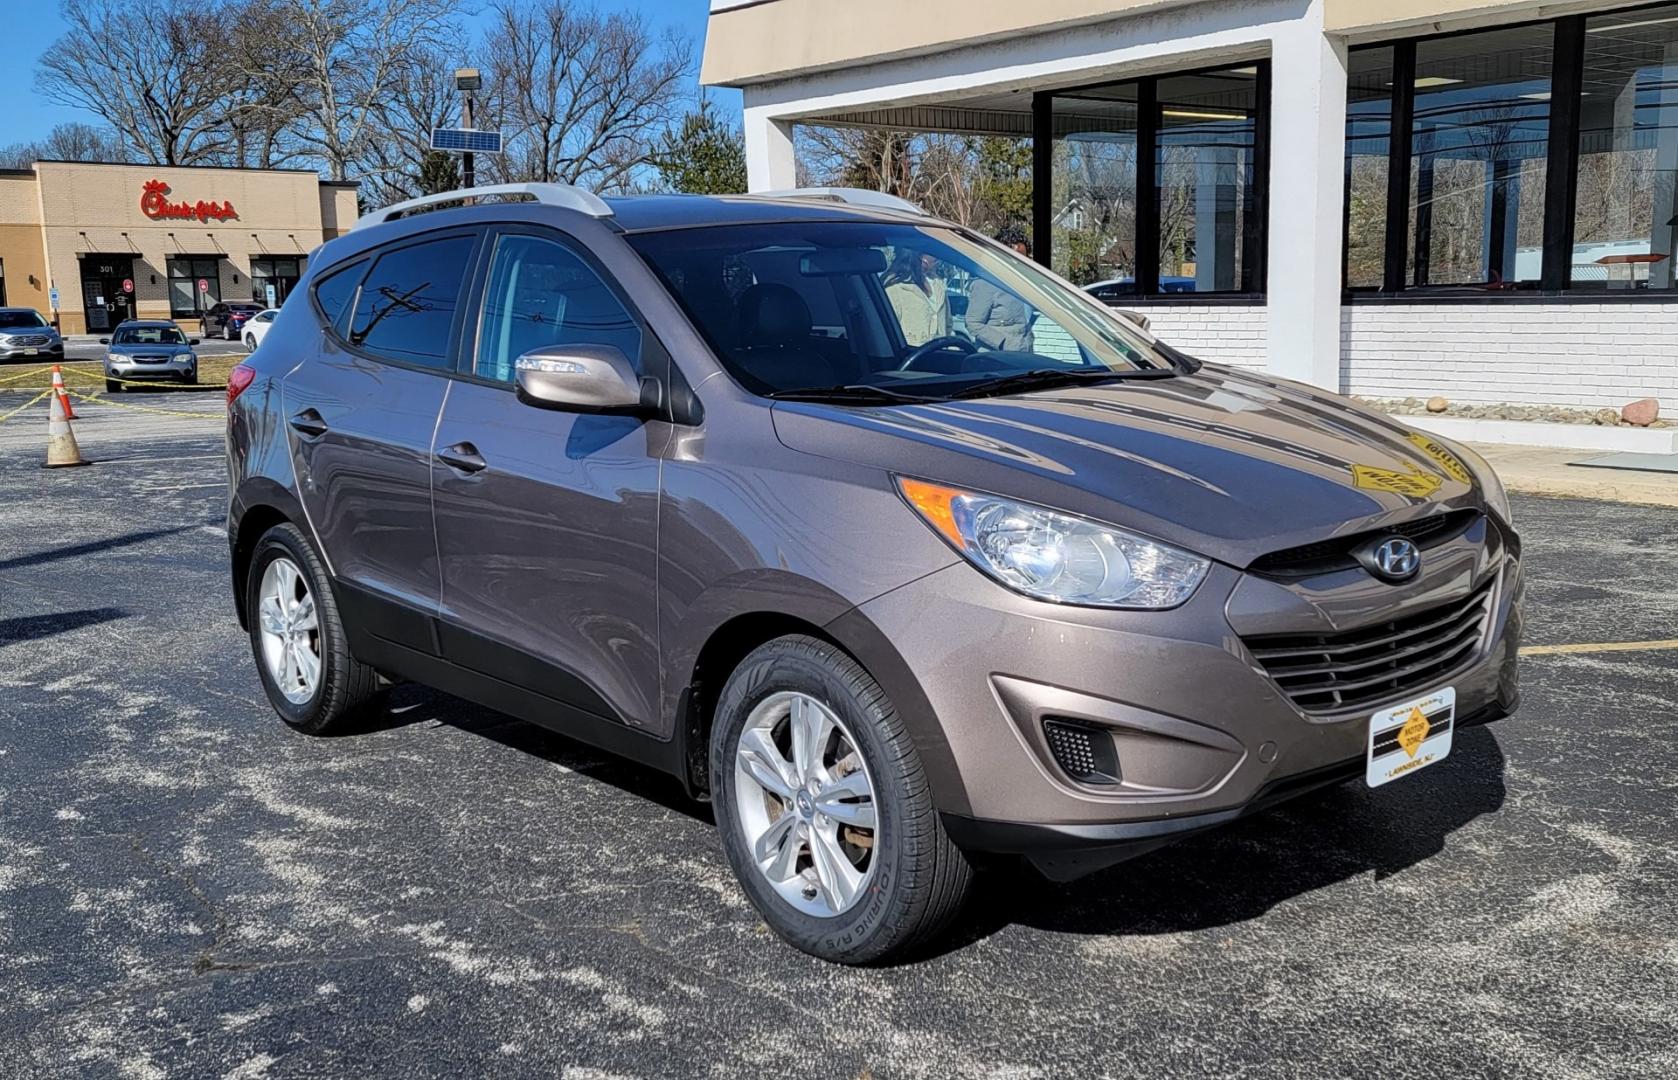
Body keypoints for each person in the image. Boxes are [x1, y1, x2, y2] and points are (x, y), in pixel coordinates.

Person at [964, 227, 1035, 353]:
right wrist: (1003, 343)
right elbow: (973, 323)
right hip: (997, 359)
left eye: (1024, 258)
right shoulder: (985, 284)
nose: (1020, 263)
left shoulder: (1024, 285)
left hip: (1024, 355)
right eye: (1016, 258)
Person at [883, 249, 949, 346]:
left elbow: (948, 323)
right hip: (911, 355)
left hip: (939, 354)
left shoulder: (938, 285)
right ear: (921, 257)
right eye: (934, 255)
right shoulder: (895, 289)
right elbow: (887, 332)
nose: (937, 259)